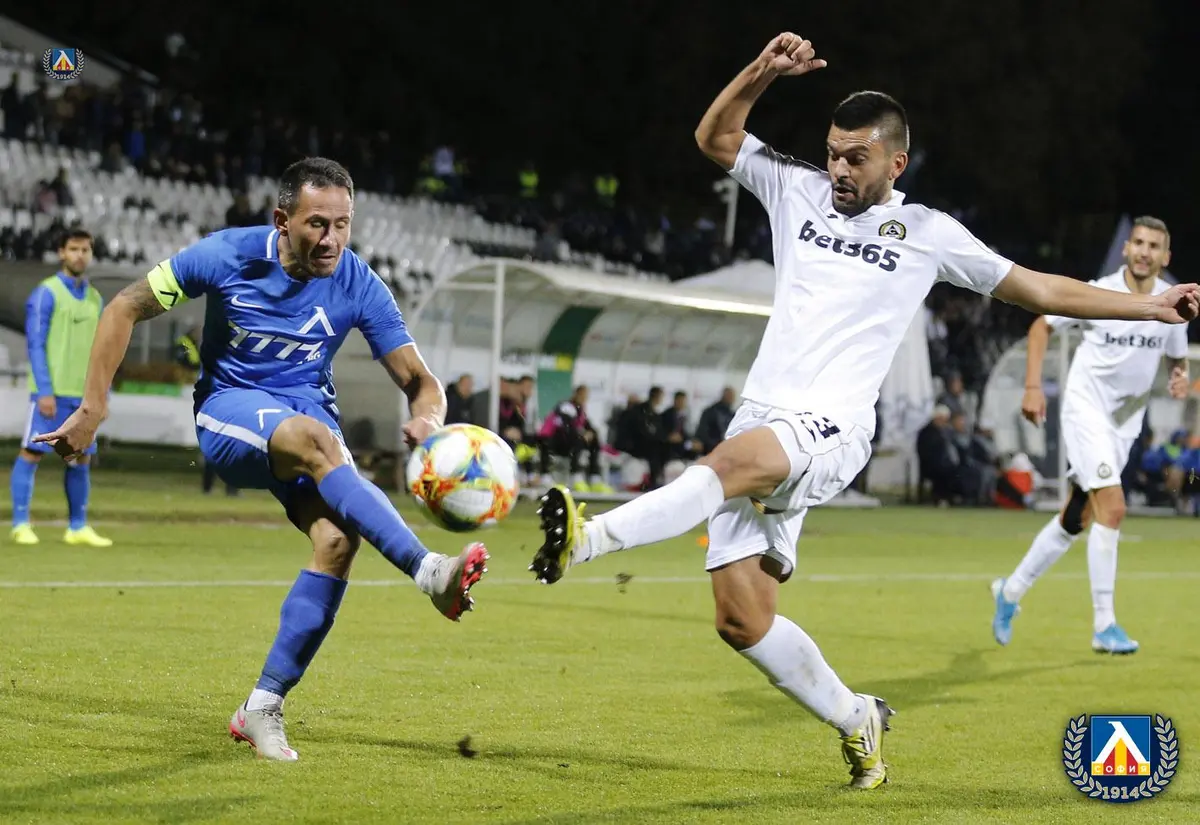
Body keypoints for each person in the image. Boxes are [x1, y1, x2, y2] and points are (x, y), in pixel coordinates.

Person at [527, 32, 1200, 790]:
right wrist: (762, 72)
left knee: (729, 462)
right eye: (832, 153)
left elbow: (1040, 289)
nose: (839, 169)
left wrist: (1154, 307)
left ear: (895, 163)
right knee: (741, 618)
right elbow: (715, 137)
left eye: (856, 157)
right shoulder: (796, 188)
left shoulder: (928, 234)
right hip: (764, 413)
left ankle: (588, 538)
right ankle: (857, 718)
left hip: (833, 426)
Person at [35, 158, 489, 761]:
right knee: (319, 442)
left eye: (343, 225)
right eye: (317, 224)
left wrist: (429, 419)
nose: (331, 240)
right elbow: (124, 306)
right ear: (282, 220)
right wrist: (93, 408)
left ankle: (262, 706)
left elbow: (421, 381)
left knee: (337, 542)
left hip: (306, 423)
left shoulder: (358, 281)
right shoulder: (227, 254)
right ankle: (428, 570)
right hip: (231, 409)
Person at [991, 216, 1191, 654]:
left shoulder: (1171, 304)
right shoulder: (1100, 292)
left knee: (1075, 519)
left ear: (1165, 256)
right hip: (1086, 410)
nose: (1144, 252)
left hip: (1124, 425)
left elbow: (1176, 358)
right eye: (1138, 242)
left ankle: (1009, 591)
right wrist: (1031, 387)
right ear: (1126, 249)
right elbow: (1041, 325)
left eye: (1153, 246)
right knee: (1113, 508)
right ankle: (1105, 625)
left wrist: (1179, 375)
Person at [9, 229, 112, 548]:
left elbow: (103, 352)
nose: (80, 255)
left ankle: (77, 527)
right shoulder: (46, 293)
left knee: (81, 458)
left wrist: (102, 396)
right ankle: (20, 524)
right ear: (61, 253)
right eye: (74, 249)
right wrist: (44, 390)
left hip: (84, 397)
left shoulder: (95, 298)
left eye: (85, 249)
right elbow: (35, 344)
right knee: (32, 453)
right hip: (51, 393)